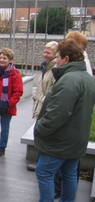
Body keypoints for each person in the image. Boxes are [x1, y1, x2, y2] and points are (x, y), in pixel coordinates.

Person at [34, 39, 95, 202]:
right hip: (76, 139)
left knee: (43, 171)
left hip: (60, 141)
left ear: (66, 59)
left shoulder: (68, 80)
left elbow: (57, 115)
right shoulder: (88, 78)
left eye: (58, 57)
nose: (55, 60)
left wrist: (40, 127)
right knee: (69, 173)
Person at [27, 41, 58, 170]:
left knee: (42, 136)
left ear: (56, 54)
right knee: (39, 135)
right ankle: (39, 161)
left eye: (48, 52)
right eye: (44, 52)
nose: (45, 54)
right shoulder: (45, 67)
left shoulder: (55, 70)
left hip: (45, 107)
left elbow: (52, 92)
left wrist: (39, 99)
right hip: (40, 105)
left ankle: (41, 163)